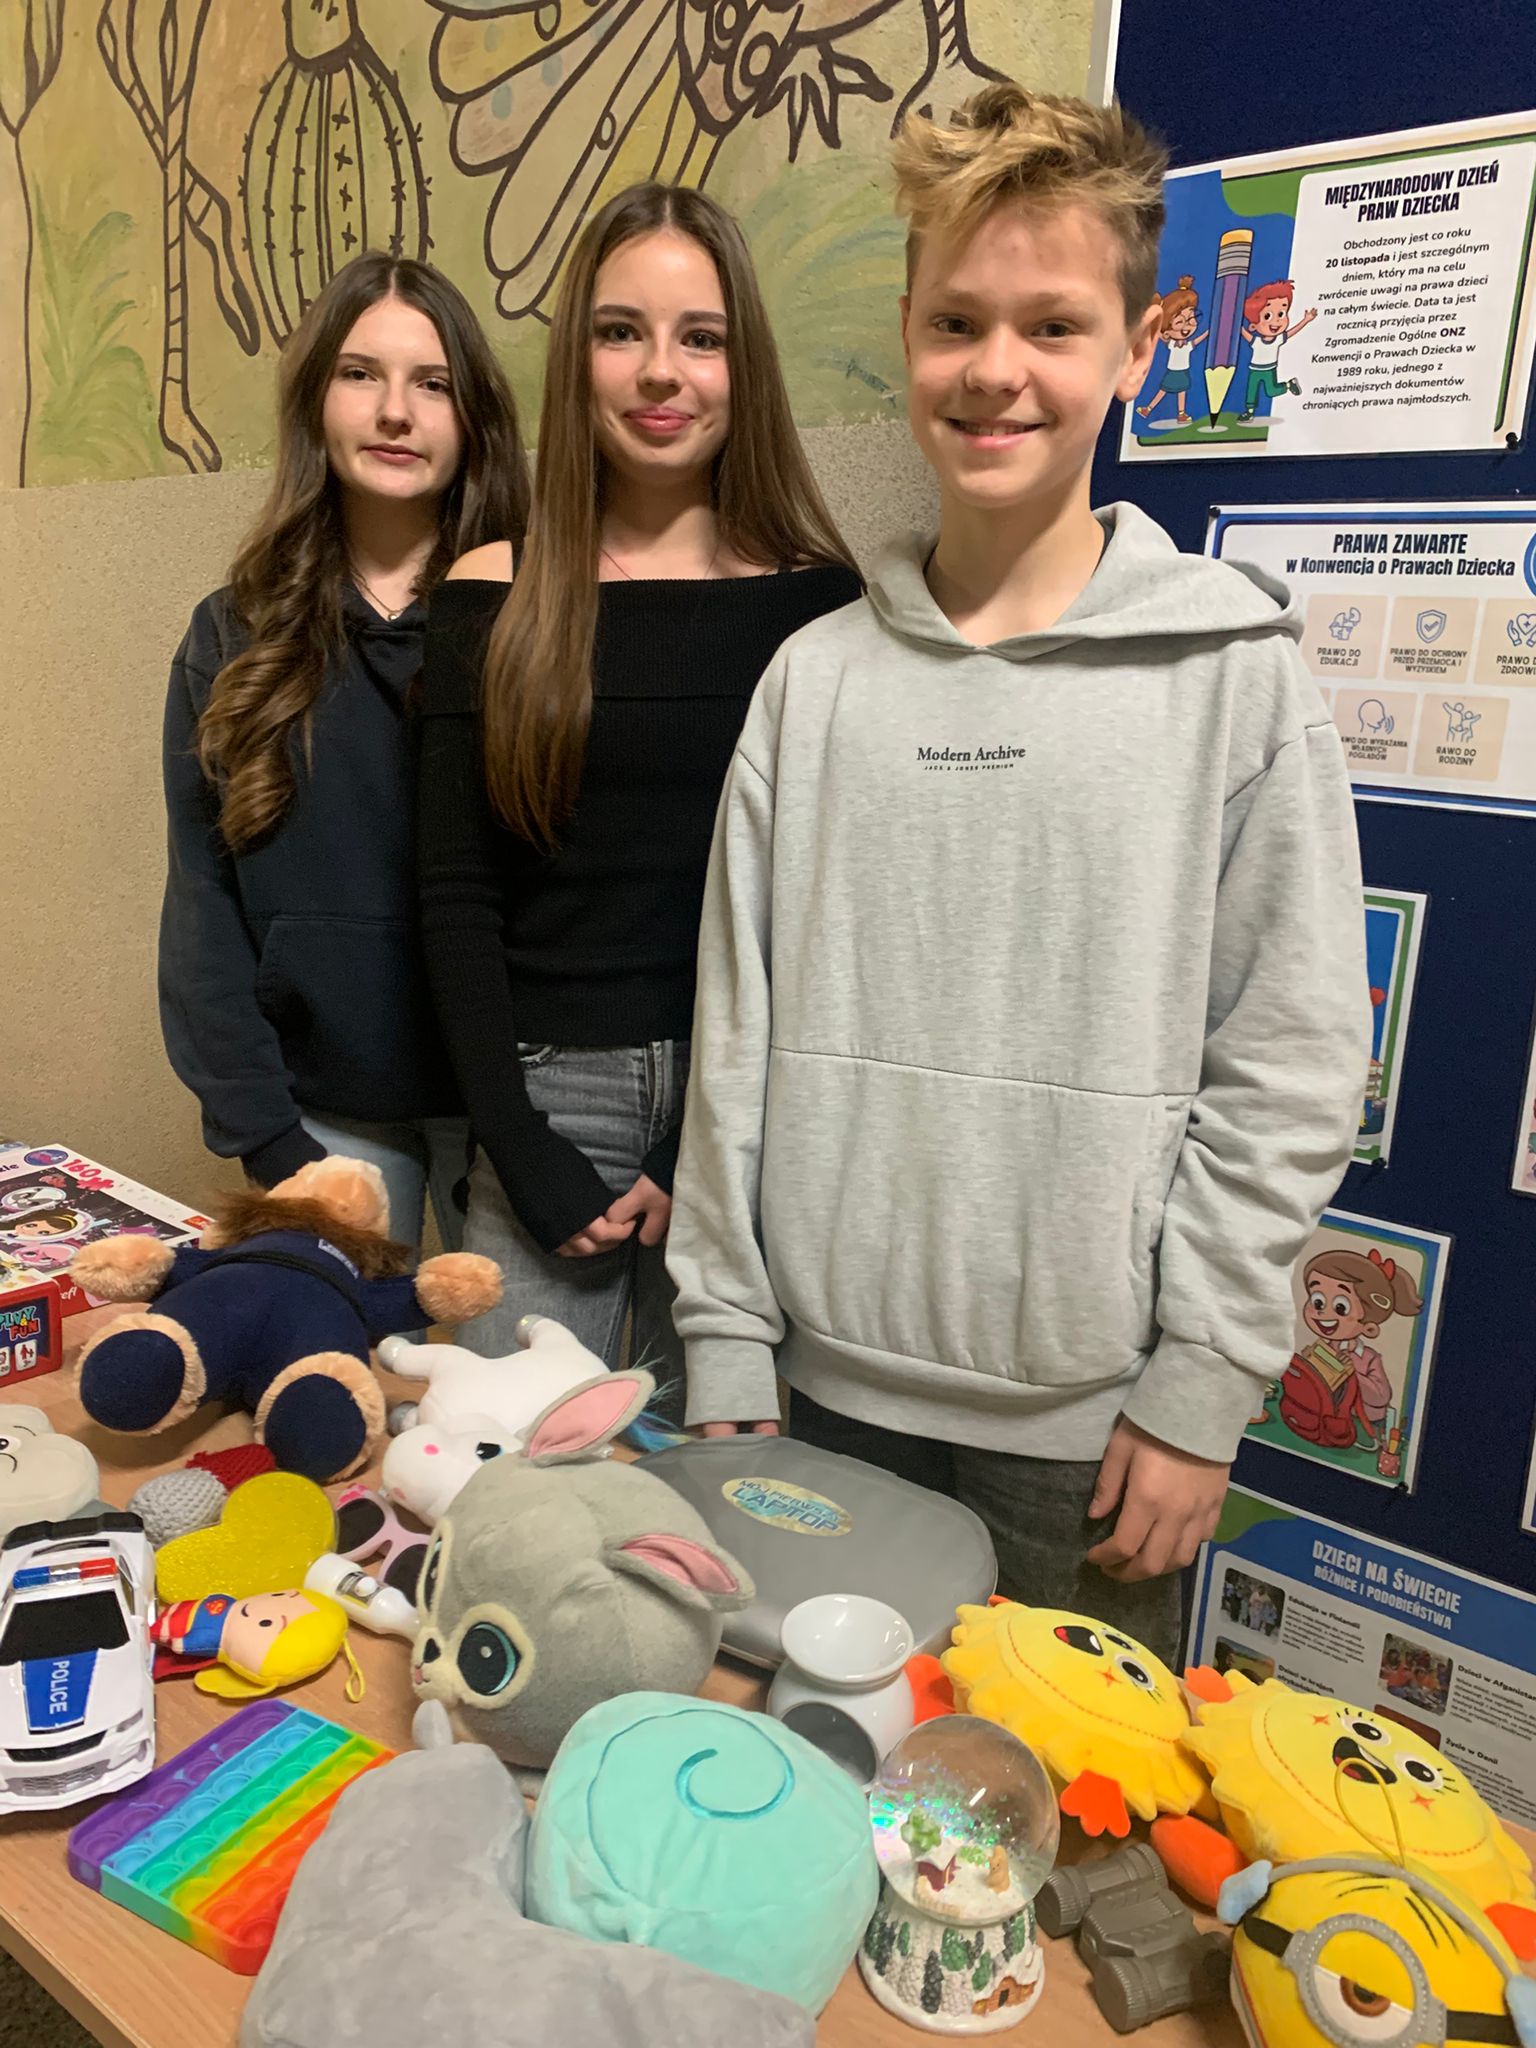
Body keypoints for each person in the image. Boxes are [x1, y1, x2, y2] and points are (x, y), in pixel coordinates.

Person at [666, 85, 1368, 1661]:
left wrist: (1203, 1384)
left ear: (1138, 348)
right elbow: (736, 1041)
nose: (996, 370)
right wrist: (723, 1336)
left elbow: (1291, 1060)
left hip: (1096, 1439)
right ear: (908, 336)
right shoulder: (814, 682)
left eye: (1053, 326)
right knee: (812, 1787)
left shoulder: (1235, 675)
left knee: (1059, 1804)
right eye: (957, 322)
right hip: (814, 1398)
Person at [416, 183, 862, 1379]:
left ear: (743, 365)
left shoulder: (819, 606)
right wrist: (516, 1143)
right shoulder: (492, 592)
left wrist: (694, 1142)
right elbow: (454, 895)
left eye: (700, 337)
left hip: (744, 1102)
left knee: (709, 1481)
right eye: (622, 332)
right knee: (512, 1470)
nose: (661, 371)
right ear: (579, 358)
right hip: (541, 1102)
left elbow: (816, 908)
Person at [159, 254, 529, 1246]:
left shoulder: (534, 621)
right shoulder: (231, 635)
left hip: (516, 1106)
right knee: (347, 1352)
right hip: (323, 1116)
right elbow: (202, 907)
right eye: (361, 374)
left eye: (433, 383)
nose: (395, 411)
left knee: (514, 1353)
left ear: (474, 418)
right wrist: (269, 1138)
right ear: (316, 402)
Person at [1135, 274, 1206, 428]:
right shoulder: (1171, 343)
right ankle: (1149, 409)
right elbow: (1159, 333)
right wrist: (1155, 325)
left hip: (1183, 372)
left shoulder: (1185, 345)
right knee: (1163, 391)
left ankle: (1181, 414)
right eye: (1180, 321)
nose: (1188, 325)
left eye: (1192, 317)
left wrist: (1208, 333)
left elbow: (1196, 341)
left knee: (1182, 392)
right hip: (1172, 372)